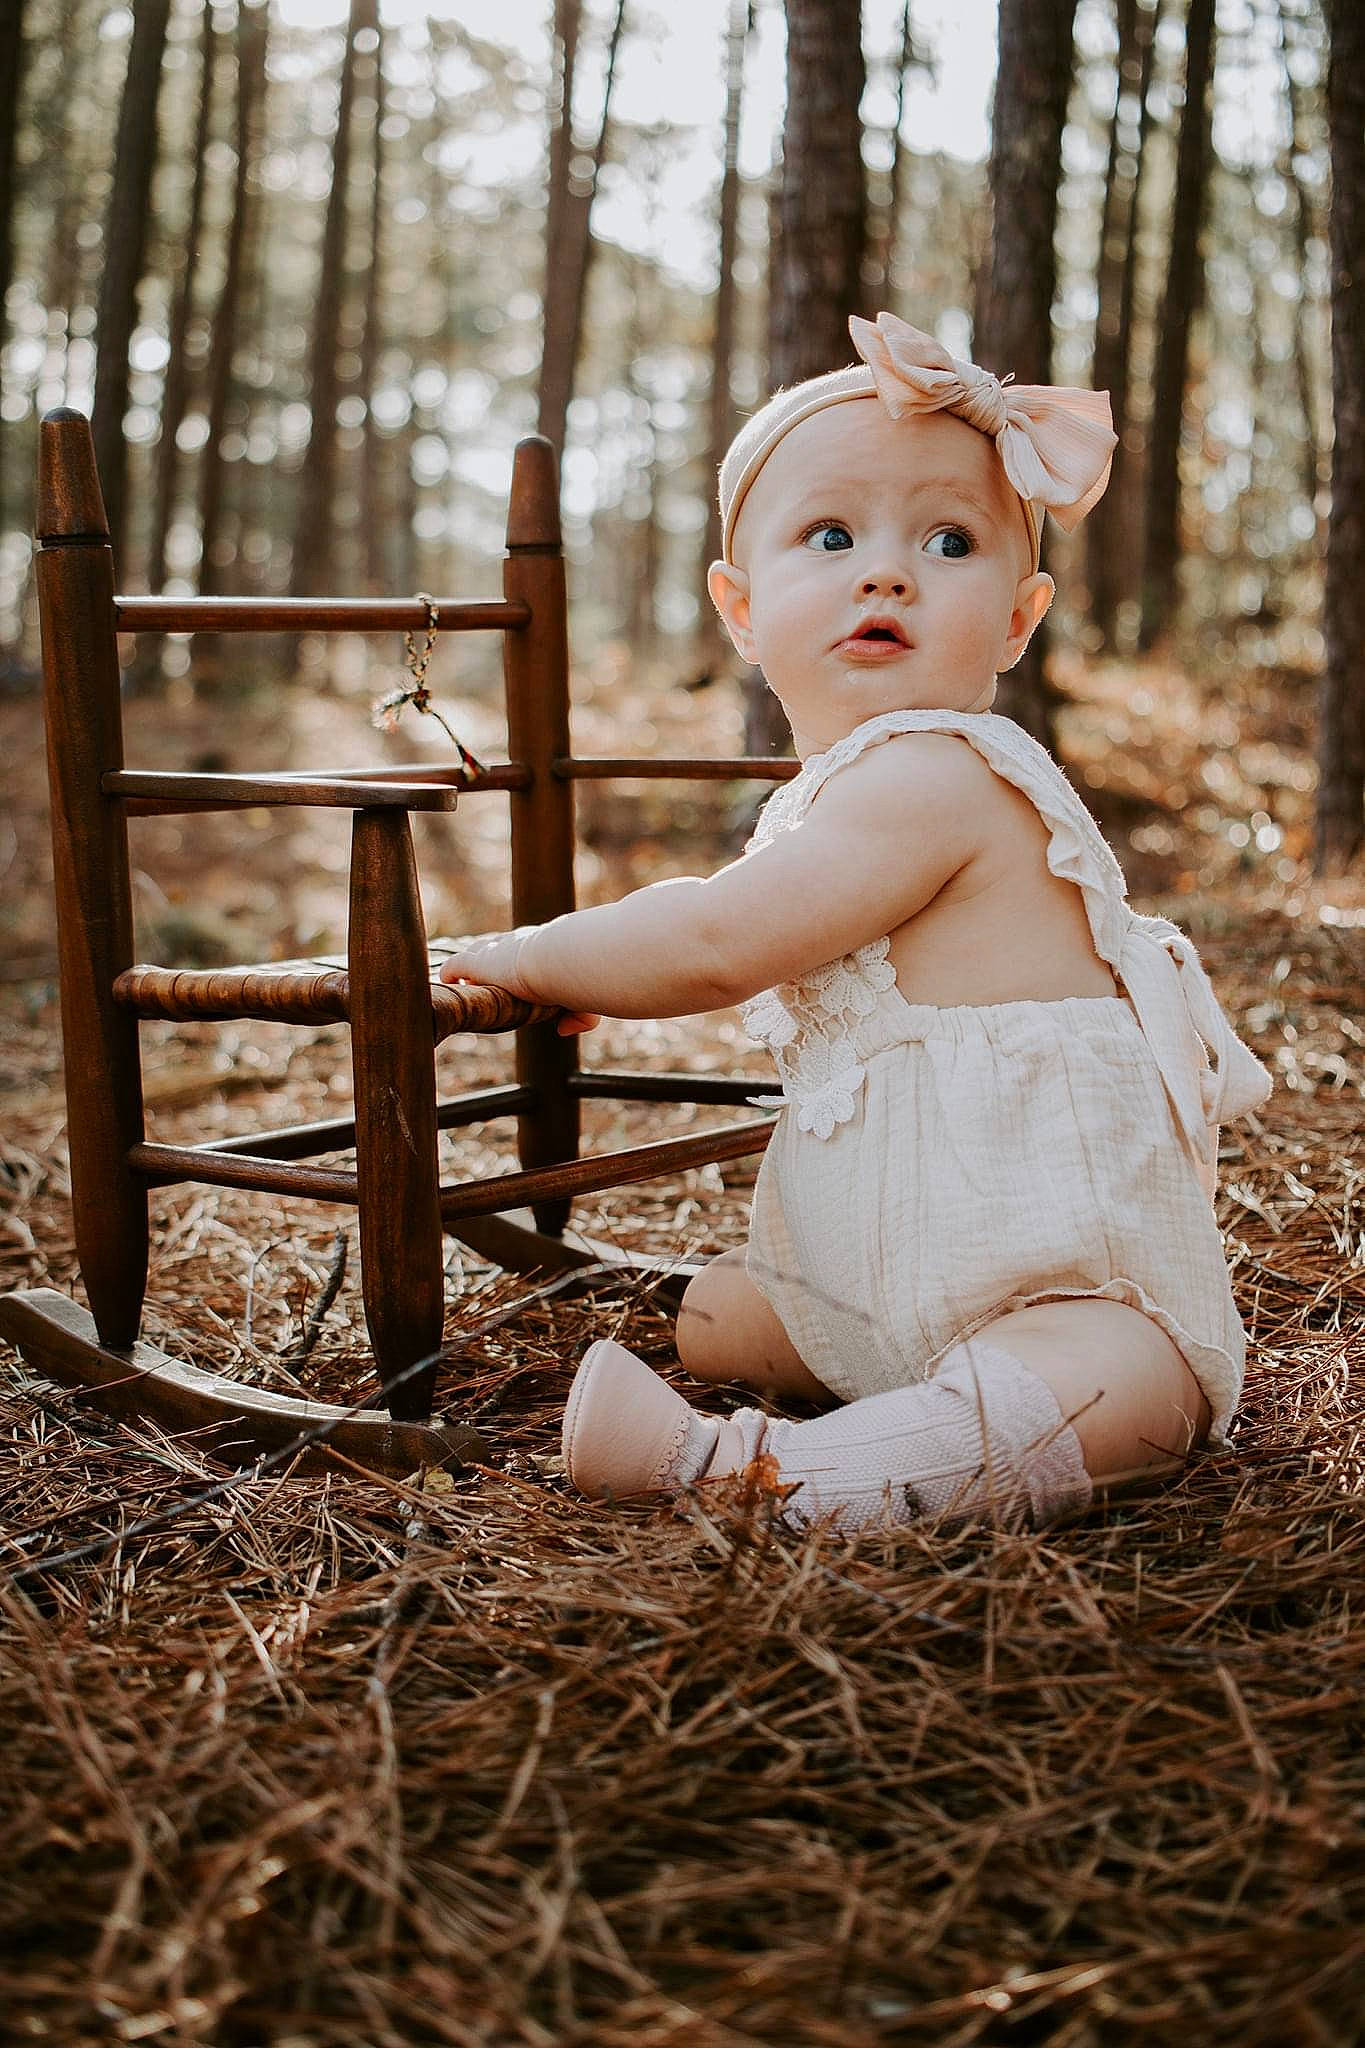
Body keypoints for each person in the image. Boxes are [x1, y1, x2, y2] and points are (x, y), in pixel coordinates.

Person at [439, 311, 1272, 1533]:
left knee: (1114, 1383)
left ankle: (752, 1470)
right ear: (740, 605)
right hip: (902, 1258)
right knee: (724, 1309)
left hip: (1054, 1276)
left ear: (1017, 619)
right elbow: (721, 930)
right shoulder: (835, 797)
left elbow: (715, 940)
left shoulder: (939, 774)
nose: (887, 573)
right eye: (830, 535)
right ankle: (866, 1368)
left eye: (949, 540)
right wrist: (608, 967)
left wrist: (529, 955)